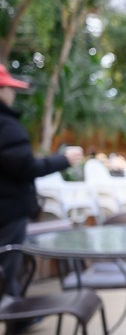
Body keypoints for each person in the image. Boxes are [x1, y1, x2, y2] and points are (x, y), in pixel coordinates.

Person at [0, 64, 83, 320]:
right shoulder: (6, 126)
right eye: (9, 89)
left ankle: (18, 319)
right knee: (8, 265)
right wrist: (63, 160)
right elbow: (26, 167)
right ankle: (15, 317)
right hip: (8, 209)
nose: (12, 94)